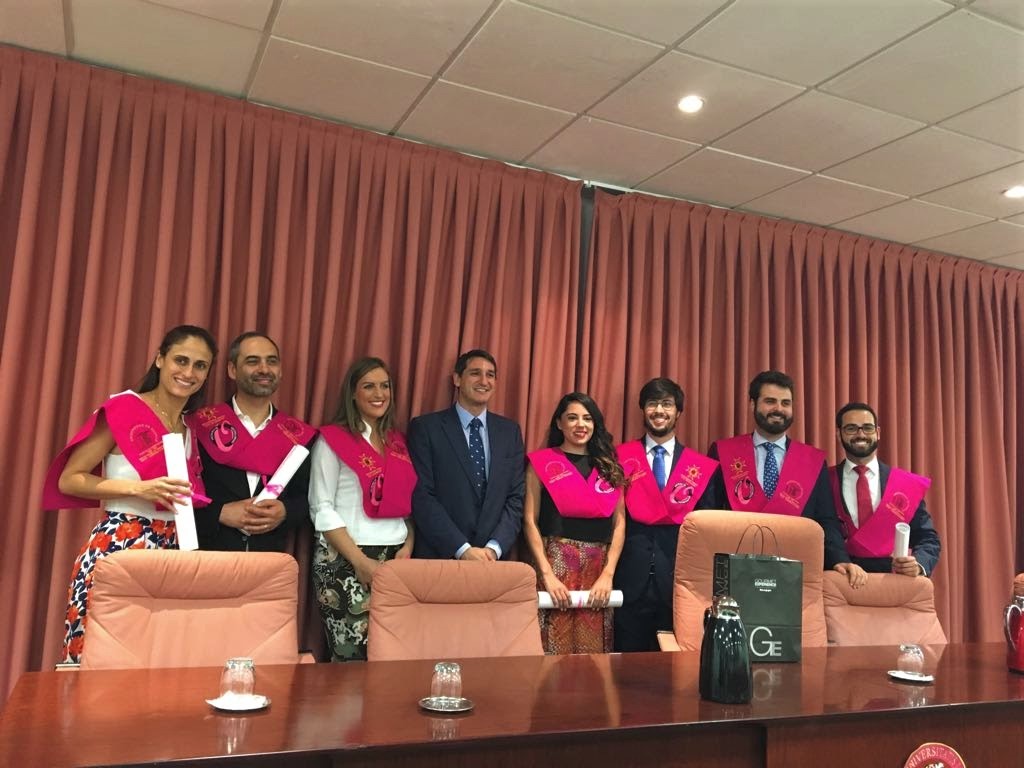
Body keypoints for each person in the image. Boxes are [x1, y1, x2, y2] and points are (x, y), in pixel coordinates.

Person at [42, 325, 217, 662]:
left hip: (173, 550)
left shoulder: (189, 426)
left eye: (200, 365)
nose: (188, 372)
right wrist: (140, 488)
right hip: (122, 541)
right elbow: (70, 479)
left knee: (152, 661)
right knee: (97, 654)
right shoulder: (123, 409)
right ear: (160, 359)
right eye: (181, 360)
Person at [309, 357, 416, 661]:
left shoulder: (397, 441)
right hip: (345, 558)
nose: (378, 393)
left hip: (396, 557)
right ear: (353, 394)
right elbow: (321, 507)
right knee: (352, 660)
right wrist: (359, 561)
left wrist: (407, 547)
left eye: (385, 386)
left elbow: (406, 506)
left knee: (391, 659)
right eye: (368, 386)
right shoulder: (332, 439)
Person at [708, 370, 851, 576]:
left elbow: (826, 519)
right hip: (736, 565)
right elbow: (710, 514)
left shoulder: (812, 461)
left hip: (794, 568)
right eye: (770, 401)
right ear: (753, 405)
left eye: (786, 403)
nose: (778, 409)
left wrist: (839, 558)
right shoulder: (724, 452)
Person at [613, 378, 719, 652]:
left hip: (677, 584)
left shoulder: (700, 468)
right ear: (643, 409)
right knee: (626, 672)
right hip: (628, 580)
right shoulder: (620, 457)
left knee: (673, 673)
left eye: (667, 404)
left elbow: (704, 531)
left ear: (678, 411)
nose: (659, 410)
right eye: (652, 403)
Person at [186, 332, 317, 552]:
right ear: (232, 370)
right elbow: (179, 493)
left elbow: (309, 498)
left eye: (271, 361)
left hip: (269, 561)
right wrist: (219, 513)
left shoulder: (299, 435)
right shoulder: (198, 424)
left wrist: (285, 511)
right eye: (252, 361)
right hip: (208, 558)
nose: (264, 369)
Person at [523, 393, 626, 654]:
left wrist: (608, 574)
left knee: (593, 651)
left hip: (597, 568)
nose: (581, 425)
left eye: (587, 418)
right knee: (552, 647)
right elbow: (530, 521)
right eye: (572, 418)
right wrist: (547, 575)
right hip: (555, 562)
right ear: (559, 423)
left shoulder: (609, 466)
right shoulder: (542, 463)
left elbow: (619, 524)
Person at [408, 349, 525, 560]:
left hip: (493, 563)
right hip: (441, 558)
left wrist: (494, 548)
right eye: (475, 373)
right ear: (457, 379)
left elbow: (515, 498)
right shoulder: (426, 428)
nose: (484, 380)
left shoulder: (510, 432)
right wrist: (462, 549)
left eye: (490, 375)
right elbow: (422, 496)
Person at [830, 402, 941, 578]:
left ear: (878, 433)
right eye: (851, 428)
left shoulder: (905, 485)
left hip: (892, 583)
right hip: (840, 583)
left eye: (867, 428)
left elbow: (928, 538)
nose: (861, 434)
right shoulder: (825, 480)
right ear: (839, 434)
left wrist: (918, 564)